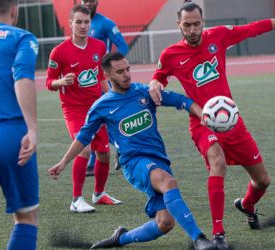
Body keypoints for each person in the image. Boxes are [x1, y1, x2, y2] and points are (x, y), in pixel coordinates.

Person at [149, 1, 275, 249]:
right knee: (218, 162)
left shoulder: (219, 36)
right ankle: (218, 234)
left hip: (232, 122)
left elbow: (256, 28)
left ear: (202, 22)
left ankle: (247, 205)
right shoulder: (170, 54)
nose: (192, 29)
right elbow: (159, 76)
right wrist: (154, 82)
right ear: (178, 25)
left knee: (263, 181)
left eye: (196, 24)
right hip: (202, 123)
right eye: (187, 25)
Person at [48, 52, 217, 250]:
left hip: (159, 159)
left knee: (165, 223)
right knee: (168, 182)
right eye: (120, 71)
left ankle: (120, 238)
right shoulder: (101, 106)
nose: (127, 75)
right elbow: (83, 137)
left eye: (128, 69)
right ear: (107, 75)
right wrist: (63, 162)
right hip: (133, 162)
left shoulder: (144, 92)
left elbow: (182, 101)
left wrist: (203, 116)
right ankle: (199, 239)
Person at [0, 0, 39, 249]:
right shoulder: (21, 37)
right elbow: (22, 76)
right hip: (8, 134)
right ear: (15, 10)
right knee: (26, 216)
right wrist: (32, 129)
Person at [46, 5, 121, 213]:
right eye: (78, 22)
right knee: (85, 147)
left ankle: (98, 194)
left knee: (104, 154)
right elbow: (49, 82)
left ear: (91, 24)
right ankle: (76, 199)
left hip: (96, 108)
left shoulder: (98, 47)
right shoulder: (59, 52)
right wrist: (61, 82)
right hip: (74, 110)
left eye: (86, 22)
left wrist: (111, 98)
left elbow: (101, 78)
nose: (82, 26)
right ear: (70, 24)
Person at [81, 0, 129, 176]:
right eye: (84, 0)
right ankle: (119, 149)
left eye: (91, 0)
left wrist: (112, 66)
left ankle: (95, 161)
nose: (88, 3)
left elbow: (122, 45)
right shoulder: (80, 22)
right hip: (86, 81)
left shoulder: (106, 23)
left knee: (103, 117)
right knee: (93, 118)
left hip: (102, 80)